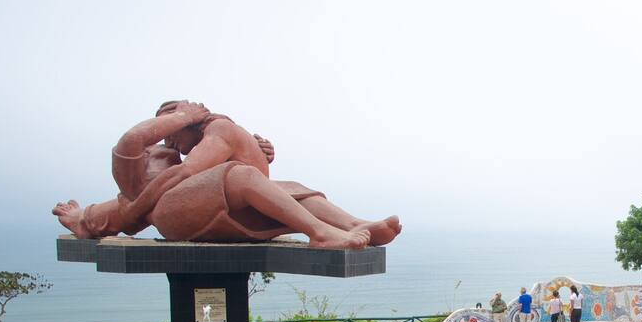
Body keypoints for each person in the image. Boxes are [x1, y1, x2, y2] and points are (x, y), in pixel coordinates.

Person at [53, 101, 399, 248]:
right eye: (162, 125)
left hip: (194, 210)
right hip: (172, 215)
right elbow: (132, 143)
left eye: (171, 124)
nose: (168, 137)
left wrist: (253, 152)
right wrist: (180, 117)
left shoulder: (182, 154)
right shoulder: (141, 157)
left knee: (292, 188)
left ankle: (352, 224)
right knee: (239, 176)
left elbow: (196, 174)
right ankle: (320, 232)